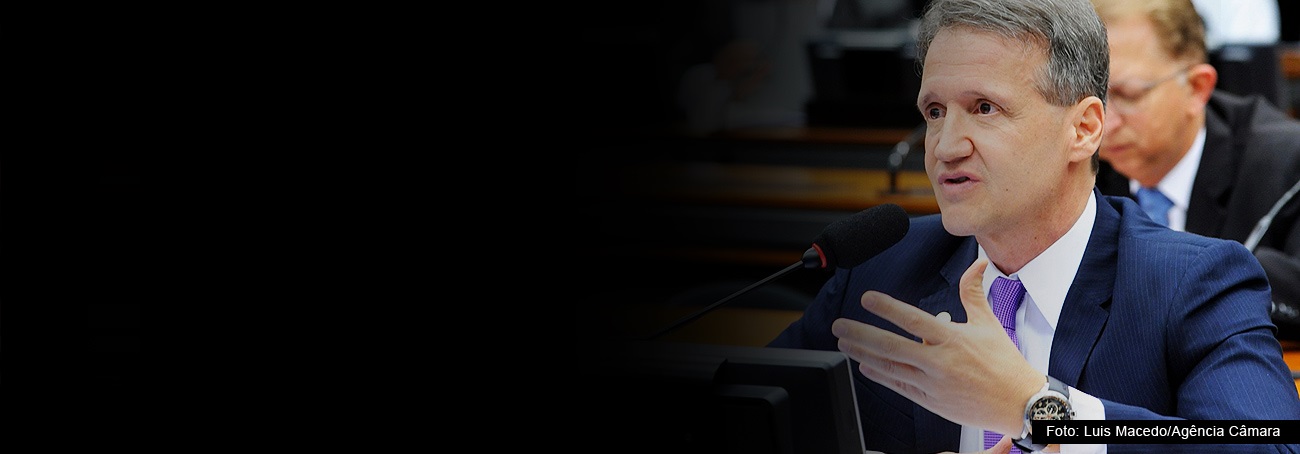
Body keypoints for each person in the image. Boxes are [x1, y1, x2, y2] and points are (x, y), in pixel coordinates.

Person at [767, 0, 1300, 452]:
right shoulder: (881, 268)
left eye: (984, 108)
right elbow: (754, 406)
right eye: (934, 112)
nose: (946, 147)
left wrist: (1036, 409)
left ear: (1083, 129)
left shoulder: (1193, 283)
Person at [1088, 0, 1300, 340]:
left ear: (1197, 87)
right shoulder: (1079, 163)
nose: (1104, 124)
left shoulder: (1284, 164)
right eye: (1092, 97)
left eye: (1127, 95)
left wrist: (1196, 275)